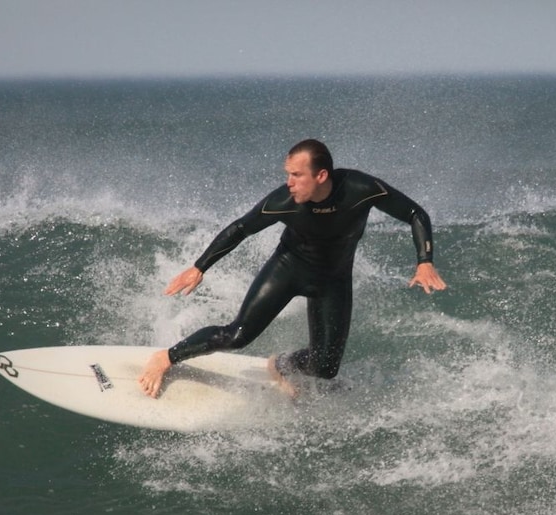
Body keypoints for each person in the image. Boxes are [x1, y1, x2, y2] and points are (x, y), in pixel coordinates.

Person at [138, 138, 447, 398]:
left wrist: (424, 262)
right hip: (288, 269)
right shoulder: (284, 201)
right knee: (237, 335)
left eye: (297, 175)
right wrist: (199, 267)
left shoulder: (360, 189)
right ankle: (166, 357)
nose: (289, 182)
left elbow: (414, 213)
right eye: (288, 174)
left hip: (333, 280)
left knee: (325, 367)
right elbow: (240, 228)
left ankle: (282, 365)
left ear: (321, 175)